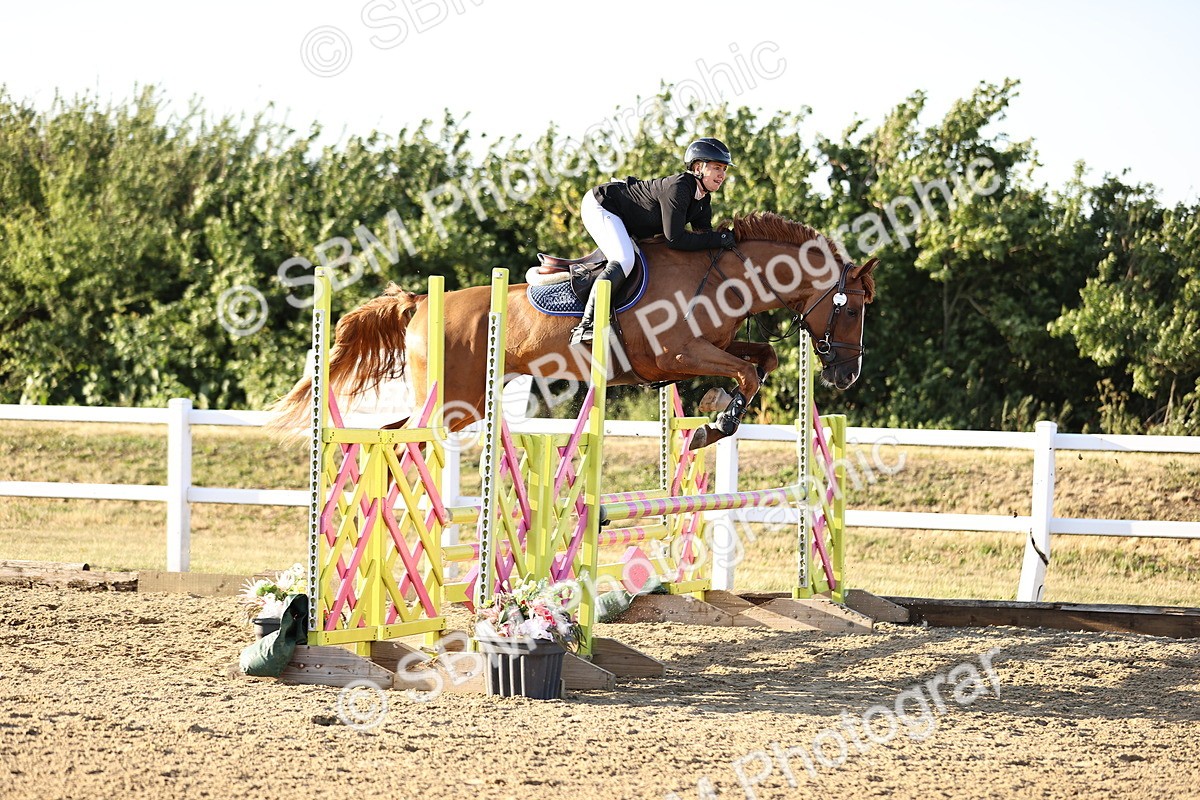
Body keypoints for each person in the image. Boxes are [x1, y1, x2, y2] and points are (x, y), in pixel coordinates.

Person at [569, 137, 738, 345]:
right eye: (717, 168)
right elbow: (674, 239)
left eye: (724, 169)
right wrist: (721, 238)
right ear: (698, 168)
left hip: (626, 219)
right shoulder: (679, 187)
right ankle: (586, 325)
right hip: (603, 205)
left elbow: (704, 241)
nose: (722, 175)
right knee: (624, 260)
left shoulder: (703, 200)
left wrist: (726, 241)